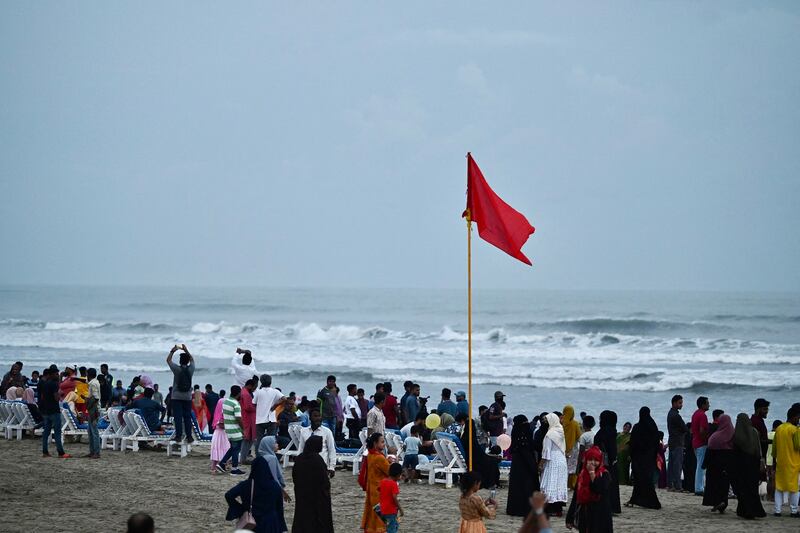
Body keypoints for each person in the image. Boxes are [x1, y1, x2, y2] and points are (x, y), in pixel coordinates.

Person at [225, 450, 288, 533]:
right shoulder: (275, 486)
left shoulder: (246, 485)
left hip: (252, 523)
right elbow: (279, 508)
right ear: (267, 468)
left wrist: (241, 509)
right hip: (271, 523)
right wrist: (283, 528)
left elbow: (229, 495)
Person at [292, 435, 334, 533]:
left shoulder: (299, 459)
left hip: (302, 495)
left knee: (302, 518)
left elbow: (295, 476)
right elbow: (324, 480)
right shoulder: (317, 460)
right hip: (317, 498)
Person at [565, 445, 613, 532]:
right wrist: (569, 518)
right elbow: (576, 498)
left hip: (600, 514)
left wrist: (592, 474)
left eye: (596, 460)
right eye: (590, 460)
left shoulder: (604, 474)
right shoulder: (582, 475)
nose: (593, 463)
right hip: (585, 513)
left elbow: (598, 489)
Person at [732, 412, 766, 519]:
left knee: (743, 489)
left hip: (741, 466)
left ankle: (744, 511)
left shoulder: (737, 434)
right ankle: (755, 510)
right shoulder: (754, 432)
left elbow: (735, 453)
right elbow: (758, 449)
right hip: (753, 464)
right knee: (752, 489)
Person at [625, 407, 661, 509]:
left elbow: (633, 443)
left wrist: (630, 455)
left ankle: (640, 500)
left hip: (638, 458)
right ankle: (638, 500)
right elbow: (656, 442)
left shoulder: (637, 427)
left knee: (638, 479)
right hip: (649, 457)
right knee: (647, 479)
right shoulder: (653, 426)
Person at [507, 415, 540, 517]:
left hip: (517, 465)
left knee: (517, 487)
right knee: (526, 486)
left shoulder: (516, 436)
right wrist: (534, 467)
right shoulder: (525, 438)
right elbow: (528, 449)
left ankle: (515, 508)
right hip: (526, 465)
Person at [702, 413, 734, 513]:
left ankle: (716, 502)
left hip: (714, 466)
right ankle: (723, 503)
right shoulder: (733, 435)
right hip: (727, 465)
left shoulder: (714, 437)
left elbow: (709, 452)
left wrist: (704, 464)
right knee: (724, 485)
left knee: (714, 485)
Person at [772, 405, 800, 517]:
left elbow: (774, 448)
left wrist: (775, 460)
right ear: (794, 418)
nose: (798, 420)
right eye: (798, 418)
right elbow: (798, 446)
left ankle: (777, 510)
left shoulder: (779, 429)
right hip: (793, 462)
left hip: (781, 462)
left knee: (779, 487)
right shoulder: (794, 430)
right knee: (794, 488)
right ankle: (794, 510)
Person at [360, 432, 391, 533]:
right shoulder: (379, 457)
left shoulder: (370, 455)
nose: (384, 444)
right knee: (380, 514)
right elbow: (390, 471)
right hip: (380, 490)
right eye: (382, 442)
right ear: (375, 443)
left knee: (372, 512)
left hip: (371, 489)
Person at [539, 413, 568, 516]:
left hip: (552, 460)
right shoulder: (561, 431)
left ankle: (550, 508)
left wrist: (540, 464)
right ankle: (558, 508)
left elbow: (546, 452)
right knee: (559, 484)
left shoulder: (549, 434)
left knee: (550, 482)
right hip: (561, 459)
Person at [593, 410, 621, 514]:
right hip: (610, 462)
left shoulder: (602, 431)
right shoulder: (612, 431)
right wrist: (614, 459)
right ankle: (613, 507)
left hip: (601, 461)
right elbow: (612, 449)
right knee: (611, 484)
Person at [167, 344, 195, 443]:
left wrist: (173, 351)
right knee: (187, 417)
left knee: (178, 417)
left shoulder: (177, 369)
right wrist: (186, 350)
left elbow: (168, 361)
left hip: (176, 396)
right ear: (187, 361)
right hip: (187, 396)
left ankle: (178, 436)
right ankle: (189, 436)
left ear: (180, 361)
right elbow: (192, 360)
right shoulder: (191, 369)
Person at [39, 368, 71, 458]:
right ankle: (61, 452)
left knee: (46, 432)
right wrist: (61, 394)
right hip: (54, 410)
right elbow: (56, 398)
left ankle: (45, 452)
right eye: (56, 374)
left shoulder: (45, 384)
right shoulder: (54, 384)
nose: (57, 375)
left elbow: (43, 397)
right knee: (57, 432)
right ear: (52, 374)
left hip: (46, 411)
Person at [298, 407, 337, 476]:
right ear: (310, 418)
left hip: (322, 466)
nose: (318, 418)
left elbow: (331, 450)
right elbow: (301, 449)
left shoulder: (327, 431)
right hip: (307, 465)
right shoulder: (304, 431)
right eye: (315, 416)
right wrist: (299, 464)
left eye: (319, 416)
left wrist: (332, 467)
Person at [218, 385, 246, 476]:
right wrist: (243, 429)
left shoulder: (226, 401)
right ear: (238, 393)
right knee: (236, 449)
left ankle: (222, 463)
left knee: (233, 448)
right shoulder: (235, 404)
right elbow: (239, 418)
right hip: (235, 431)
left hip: (228, 429)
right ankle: (234, 469)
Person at [257, 436, 292, 503]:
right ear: (269, 445)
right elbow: (273, 477)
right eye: (275, 442)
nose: (277, 444)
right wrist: (283, 492)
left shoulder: (261, 457)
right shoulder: (271, 458)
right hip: (271, 490)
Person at [253, 374, 284, 446]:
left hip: (260, 419)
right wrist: (275, 405)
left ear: (261, 382)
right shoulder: (275, 391)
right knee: (271, 440)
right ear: (271, 382)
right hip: (271, 419)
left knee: (259, 440)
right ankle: (269, 455)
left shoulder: (258, 392)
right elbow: (284, 399)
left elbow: (253, 404)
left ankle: (259, 456)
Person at [374, 462, 404, 533]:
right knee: (392, 529)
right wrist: (400, 509)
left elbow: (379, 490)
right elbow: (394, 497)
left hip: (382, 510)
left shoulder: (383, 481)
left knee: (387, 527)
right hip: (391, 510)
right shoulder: (394, 484)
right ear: (398, 474)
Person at [665, 394, 686, 492]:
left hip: (672, 441)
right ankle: (678, 486)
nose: (681, 405)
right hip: (677, 442)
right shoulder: (676, 416)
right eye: (680, 403)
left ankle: (670, 485)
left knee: (671, 464)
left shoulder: (670, 413)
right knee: (677, 465)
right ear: (674, 403)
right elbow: (684, 428)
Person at [691, 396, 710, 496]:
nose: (709, 405)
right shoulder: (702, 415)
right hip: (701, 443)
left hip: (695, 442)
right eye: (707, 403)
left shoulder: (695, 414)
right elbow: (702, 431)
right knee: (701, 466)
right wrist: (706, 440)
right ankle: (699, 488)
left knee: (700, 465)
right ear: (703, 405)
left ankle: (700, 487)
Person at [209, 395, 230, 475]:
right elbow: (221, 425)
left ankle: (222, 465)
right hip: (220, 434)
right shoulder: (220, 415)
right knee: (219, 450)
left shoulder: (218, 414)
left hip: (221, 434)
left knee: (223, 449)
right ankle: (214, 467)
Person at [239, 378, 257, 464]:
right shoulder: (246, 394)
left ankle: (243, 457)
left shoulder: (243, 392)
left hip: (246, 418)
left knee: (248, 439)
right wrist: (256, 408)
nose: (255, 389)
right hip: (248, 419)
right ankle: (243, 458)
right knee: (247, 439)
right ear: (250, 386)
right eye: (254, 387)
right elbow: (248, 407)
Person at [681, 422, 696, 492]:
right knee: (691, 472)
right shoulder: (690, 435)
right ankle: (691, 487)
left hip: (686, 455)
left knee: (686, 472)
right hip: (691, 456)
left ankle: (686, 486)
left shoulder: (684, 435)